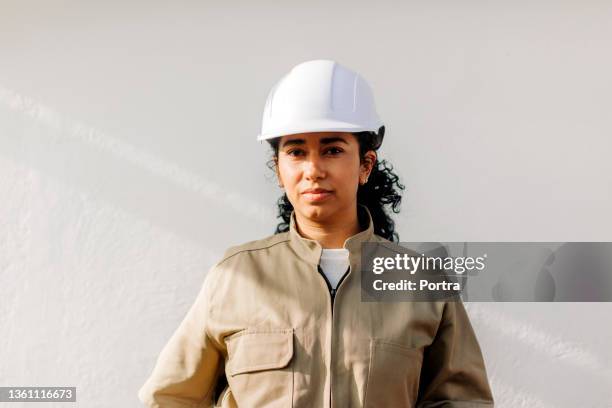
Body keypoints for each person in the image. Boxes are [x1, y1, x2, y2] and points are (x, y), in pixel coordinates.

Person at [138, 60, 494, 407]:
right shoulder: (237, 276)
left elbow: (463, 401)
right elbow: (169, 399)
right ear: (278, 169)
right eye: (296, 151)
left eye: (333, 149)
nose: (313, 169)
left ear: (365, 164)